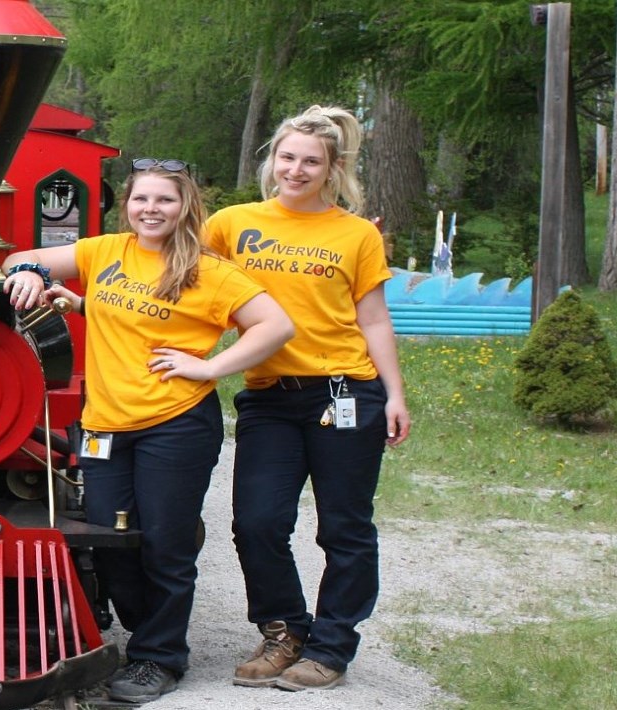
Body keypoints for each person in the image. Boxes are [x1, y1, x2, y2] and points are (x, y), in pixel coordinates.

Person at [2, 160, 296, 704]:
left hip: (175, 424)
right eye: (141, 200)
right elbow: (24, 257)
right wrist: (34, 275)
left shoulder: (211, 272)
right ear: (128, 205)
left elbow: (277, 325)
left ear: (185, 207)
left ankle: (159, 657)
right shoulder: (105, 251)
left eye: (164, 200)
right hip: (103, 424)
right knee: (109, 540)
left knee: (165, 543)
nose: (151, 209)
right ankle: (143, 628)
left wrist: (210, 368)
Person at [205, 105, 412, 692]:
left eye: (311, 161)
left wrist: (395, 394)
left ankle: (331, 647)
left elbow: (372, 320)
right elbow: (183, 278)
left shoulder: (356, 233)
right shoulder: (232, 223)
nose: (296, 170)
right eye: (287, 157)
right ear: (272, 160)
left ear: (332, 168)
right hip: (269, 395)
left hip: (347, 392)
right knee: (258, 521)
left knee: (344, 528)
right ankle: (285, 631)